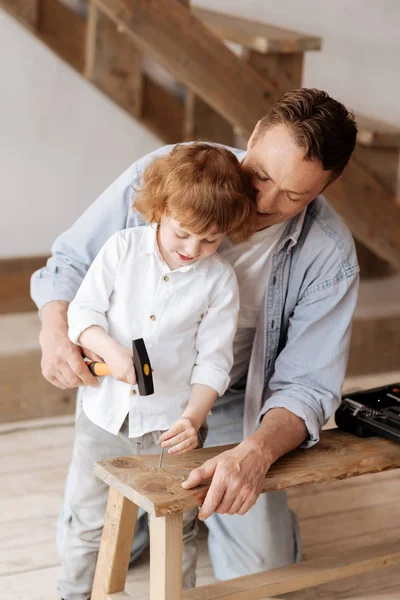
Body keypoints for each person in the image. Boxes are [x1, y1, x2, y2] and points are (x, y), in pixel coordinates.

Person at [31, 88, 360, 593]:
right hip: (129, 392)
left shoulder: (329, 255)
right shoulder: (168, 172)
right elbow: (73, 263)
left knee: (263, 574)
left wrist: (254, 454)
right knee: (108, 531)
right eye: (263, 176)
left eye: (294, 197)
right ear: (250, 137)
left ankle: (227, 517)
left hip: (232, 402)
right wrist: (58, 329)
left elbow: (308, 388)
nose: (265, 203)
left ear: (323, 190)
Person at [56, 143, 256, 598]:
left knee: (178, 526)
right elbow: (81, 314)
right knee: (89, 522)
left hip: (171, 426)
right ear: (159, 211)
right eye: (183, 233)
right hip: (103, 417)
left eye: (211, 239)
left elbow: (214, 361)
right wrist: (109, 347)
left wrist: (194, 416)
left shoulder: (219, 280)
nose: (194, 249)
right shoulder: (121, 250)